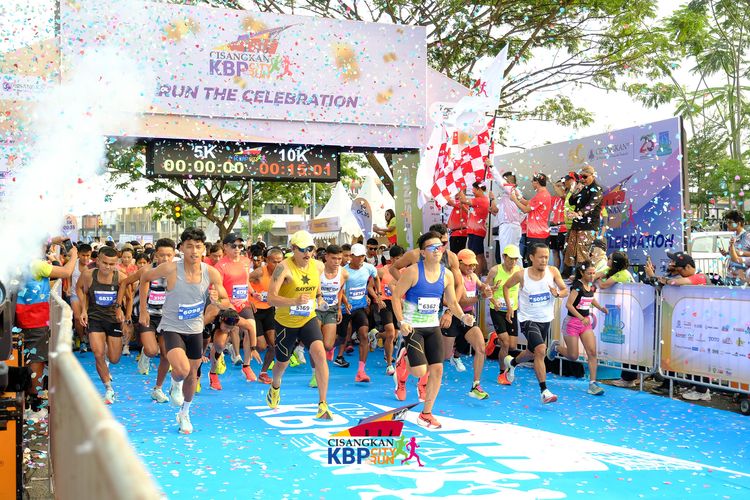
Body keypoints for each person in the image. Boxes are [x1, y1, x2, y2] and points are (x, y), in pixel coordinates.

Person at [141, 228, 231, 434]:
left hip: (196, 329)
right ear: (181, 248)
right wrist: (143, 311)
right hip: (172, 327)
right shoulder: (170, 268)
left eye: (198, 246)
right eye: (189, 246)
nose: (194, 251)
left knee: (192, 375)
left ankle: (184, 413)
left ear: (204, 249)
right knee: (181, 370)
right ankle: (175, 383)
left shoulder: (211, 272)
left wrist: (218, 301)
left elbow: (226, 300)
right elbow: (145, 277)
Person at [391, 231, 475, 428]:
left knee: (437, 369)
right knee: (420, 371)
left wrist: (463, 316)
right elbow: (396, 296)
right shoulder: (413, 272)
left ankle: (426, 414)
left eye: (440, 247)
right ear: (423, 252)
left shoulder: (447, 275)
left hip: (432, 326)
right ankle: (403, 360)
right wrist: (401, 321)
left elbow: (452, 302)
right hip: (413, 327)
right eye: (433, 247)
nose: (438, 250)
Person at [266, 230, 333, 420]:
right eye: (303, 249)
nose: (307, 253)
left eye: (310, 249)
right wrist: (293, 301)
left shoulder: (318, 266)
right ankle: (275, 385)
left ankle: (322, 404)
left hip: (307, 318)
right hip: (285, 322)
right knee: (282, 363)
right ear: (293, 249)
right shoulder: (283, 268)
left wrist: (319, 297)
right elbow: (271, 298)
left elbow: (316, 285)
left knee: (320, 353)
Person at [16, 238, 78, 419]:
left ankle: (24, 401)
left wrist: (54, 240)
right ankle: (34, 406)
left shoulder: (17, 262)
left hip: (20, 318)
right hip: (36, 320)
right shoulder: (36, 265)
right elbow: (66, 272)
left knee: (23, 360)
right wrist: (73, 255)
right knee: (37, 361)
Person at [502, 243, 569, 403]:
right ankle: (544, 391)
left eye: (546, 257)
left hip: (545, 319)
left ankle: (512, 362)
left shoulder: (553, 271)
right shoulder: (521, 275)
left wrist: (558, 293)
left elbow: (565, 290)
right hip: (527, 319)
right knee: (540, 350)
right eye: (541, 257)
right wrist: (510, 307)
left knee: (531, 352)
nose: (544, 260)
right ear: (531, 257)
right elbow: (506, 287)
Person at [117, 238, 176, 403]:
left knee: (166, 355)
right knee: (151, 350)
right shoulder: (147, 270)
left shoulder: (177, 272)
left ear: (174, 255)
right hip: (147, 315)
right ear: (156, 254)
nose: (165, 259)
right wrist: (119, 306)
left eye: (169, 255)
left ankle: (158, 388)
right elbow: (125, 282)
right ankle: (145, 354)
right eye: (162, 255)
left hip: (166, 317)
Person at [77, 245, 128, 404]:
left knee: (114, 359)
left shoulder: (121, 277)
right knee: (98, 353)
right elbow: (80, 290)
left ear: (116, 263)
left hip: (113, 319)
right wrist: (83, 310)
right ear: (98, 261)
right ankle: (108, 389)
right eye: (105, 263)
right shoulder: (88, 274)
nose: (108, 267)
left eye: (112, 264)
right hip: (95, 318)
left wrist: (125, 317)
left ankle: (107, 354)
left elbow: (129, 297)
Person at [547, 261, 608, 396]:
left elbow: (591, 299)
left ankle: (592, 383)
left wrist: (601, 308)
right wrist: (581, 318)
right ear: (582, 273)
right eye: (589, 273)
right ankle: (556, 348)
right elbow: (569, 305)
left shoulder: (590, 285)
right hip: (572, 323)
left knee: (592, 352)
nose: (592, 276)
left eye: (594, 273)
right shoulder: (577, 287)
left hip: (585, 324)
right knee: (573, 356)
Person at [443, 249, 492, 399]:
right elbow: (462, 301)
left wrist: (488, 288)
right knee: (443, 355)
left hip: (468, 316)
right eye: (469, 265)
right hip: (453, 316)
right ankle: (423, 374)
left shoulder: (473, 276)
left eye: (474, 265)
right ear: (459, 263)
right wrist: (481, 297)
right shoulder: (454, 277)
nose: (472, 267)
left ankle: (475, 385)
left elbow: (481, 286)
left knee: (480, 348)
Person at [214, 233, 259, 380]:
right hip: (227, 305)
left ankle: (247, 366)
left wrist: (253, 293)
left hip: (243, 304)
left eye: (240, 246)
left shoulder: (246, 261)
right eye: (234, 246)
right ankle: (215, 365)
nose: (238, 249)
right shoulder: (220, 266)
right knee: (221, 342)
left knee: (250, 329)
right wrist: (226, 303)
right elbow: (217, 288)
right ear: (225, 247)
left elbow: (246, 281)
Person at [337, 243, 382, 382]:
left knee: (363, 334)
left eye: (363, 256)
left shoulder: (369, 267)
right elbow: (340, 291)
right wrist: (345, 303)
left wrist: (379, 294)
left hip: (360, 308)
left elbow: (376, 278)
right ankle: (334, 354)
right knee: (341, 337)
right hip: (345, 309)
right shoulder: (344, 271)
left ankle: (361, 371)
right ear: (351, 256)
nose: (361, 258)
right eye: (358, 256)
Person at [486, 244, 522, 385]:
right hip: (497, 310)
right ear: (504, 257)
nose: (513, 261)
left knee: (512, 346)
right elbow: (485, 289)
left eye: (516, 259)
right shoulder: (495, 270)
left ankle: (495, 339)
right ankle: (502, 373)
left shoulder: (519, 270)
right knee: (506, 343)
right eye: (510, 258)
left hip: (512, 310)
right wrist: (493, 301)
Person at [247, 247, 285, 382]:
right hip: (255, 311)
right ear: (267, 260)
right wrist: (248, 299)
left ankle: (263, 373)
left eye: (280, 261)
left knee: (274, 345)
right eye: (274, 261)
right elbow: (242, 282)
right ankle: (246, 362)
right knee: (261, 346)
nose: (277, 265)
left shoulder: (282, 273)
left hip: (269, 310)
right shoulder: (259, 272)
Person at [316, 245, 350, 379]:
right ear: (326, 257)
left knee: (328, 345)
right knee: (316, 343)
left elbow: (340, 291)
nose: (337, 262)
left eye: (339, 259)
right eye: (334, 258)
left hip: (332, 309)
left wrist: (340, 308)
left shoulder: (344, 273)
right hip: (316, 308)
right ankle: (316, 373)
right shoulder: (318, 270)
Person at [563, 165, 603, 279]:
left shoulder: (597, 189)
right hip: (576, 225)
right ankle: (568, 275)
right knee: (570, 251)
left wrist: (579, 213)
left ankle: (582, 279)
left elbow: (591, 205)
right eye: (581, 177)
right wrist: (575, 190)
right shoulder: (582, 188)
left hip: (588, 227)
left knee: (583, 253)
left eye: (585, 177)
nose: (583, 179)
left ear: (592, 176)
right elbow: (571, 202)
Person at [511, 173, 552, 266]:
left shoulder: (541, 195)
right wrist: (518, 196)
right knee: (537, 262)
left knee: (534, 263)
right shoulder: (543, 194)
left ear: (536, 182)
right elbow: (527, 203)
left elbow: (525, 209)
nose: (532, 183)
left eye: (532, 181)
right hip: (540, 233)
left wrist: (514, 200)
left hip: (537, 234)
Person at [376, 244, 404, 375]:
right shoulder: (382, 271)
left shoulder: (407, 272)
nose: (399, 261)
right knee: (391, 333)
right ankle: (389, 364)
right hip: (386, 303)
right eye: (396, 258)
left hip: (399, 304)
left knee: (395, 335)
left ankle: (376, 335)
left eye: (401, 258)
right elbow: (371, 285)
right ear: (391, 259)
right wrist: (378, 297)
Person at [490, 172, 523, 266]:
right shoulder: (513, 193)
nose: (503, 182)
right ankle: (519, 273)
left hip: (509, 226)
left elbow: (500, 181)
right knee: (514, 252)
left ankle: (506, 273)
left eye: (505, 179)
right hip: (512, 226)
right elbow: (496, 211)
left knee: (505, 252)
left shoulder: (511, 189)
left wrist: (491, 167)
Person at [460, 181, 490, 275]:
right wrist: (464, 208)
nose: (472, 191)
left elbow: (463, 200)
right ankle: (484, 272)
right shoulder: (479, 200)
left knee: (477, 255)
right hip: (474, 231)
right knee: (479, 254)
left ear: (479, 189)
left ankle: (476, 276)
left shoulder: (480, 200)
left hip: (477, 231)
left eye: (474, 189)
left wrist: (459, 188)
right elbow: (472, 213)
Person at [69, 243, 92, 353]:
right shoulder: (73, 264)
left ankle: (88, 337)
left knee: (89, 319)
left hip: (89, 297)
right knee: (78, 318)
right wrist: (67, 287)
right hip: (75, 294)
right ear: (78, 254)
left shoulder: (92, 266)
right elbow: (68, 274)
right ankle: (82, 339)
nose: (85, 258)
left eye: (88, 255)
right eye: (83, 255)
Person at [549, 179, 569, 270]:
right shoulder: (554, 199)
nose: (557, 188)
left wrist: (554, 184)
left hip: (563, 228)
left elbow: (561, 194)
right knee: (554, 251)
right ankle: (555, 271)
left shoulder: (567, 197)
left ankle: (564, 272)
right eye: (557, 186)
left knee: (563, 252)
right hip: (553, 228)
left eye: (560, 186)